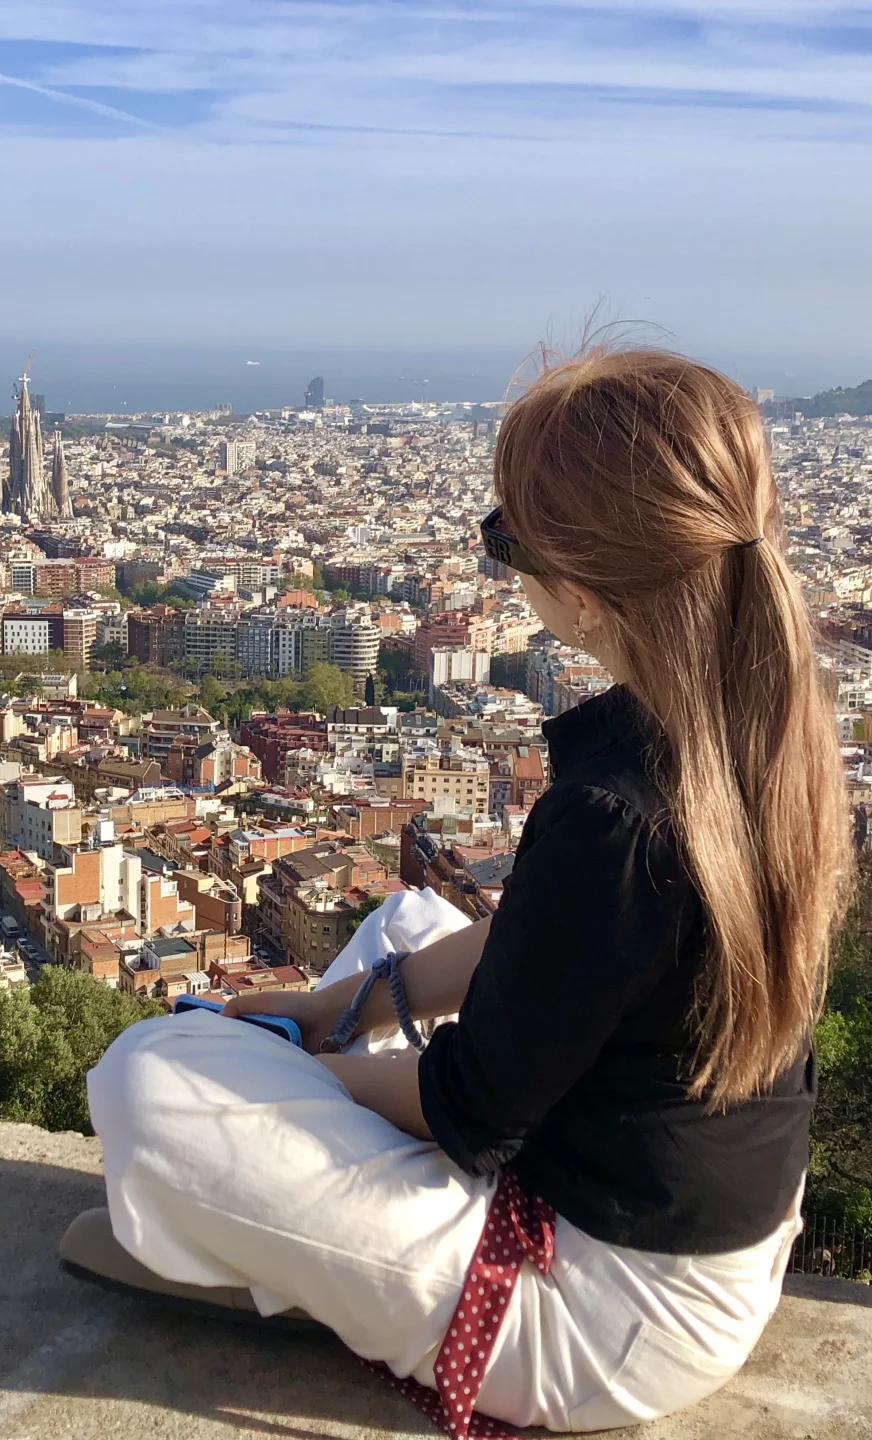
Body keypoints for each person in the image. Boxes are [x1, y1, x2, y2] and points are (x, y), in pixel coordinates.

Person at [83, 349, 852, 1433]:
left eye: (507, 538)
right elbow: (552, 949)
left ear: (581, 592)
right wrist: (331, 1007)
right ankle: (312, 1218)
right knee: (408, 921)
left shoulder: (618, 819)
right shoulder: (757, 729)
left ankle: (297, 1260)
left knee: (149, 1082)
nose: (498, 557)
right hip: (700, 1240)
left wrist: (296, 1073)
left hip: (600, 1310)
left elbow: (470, 1111)